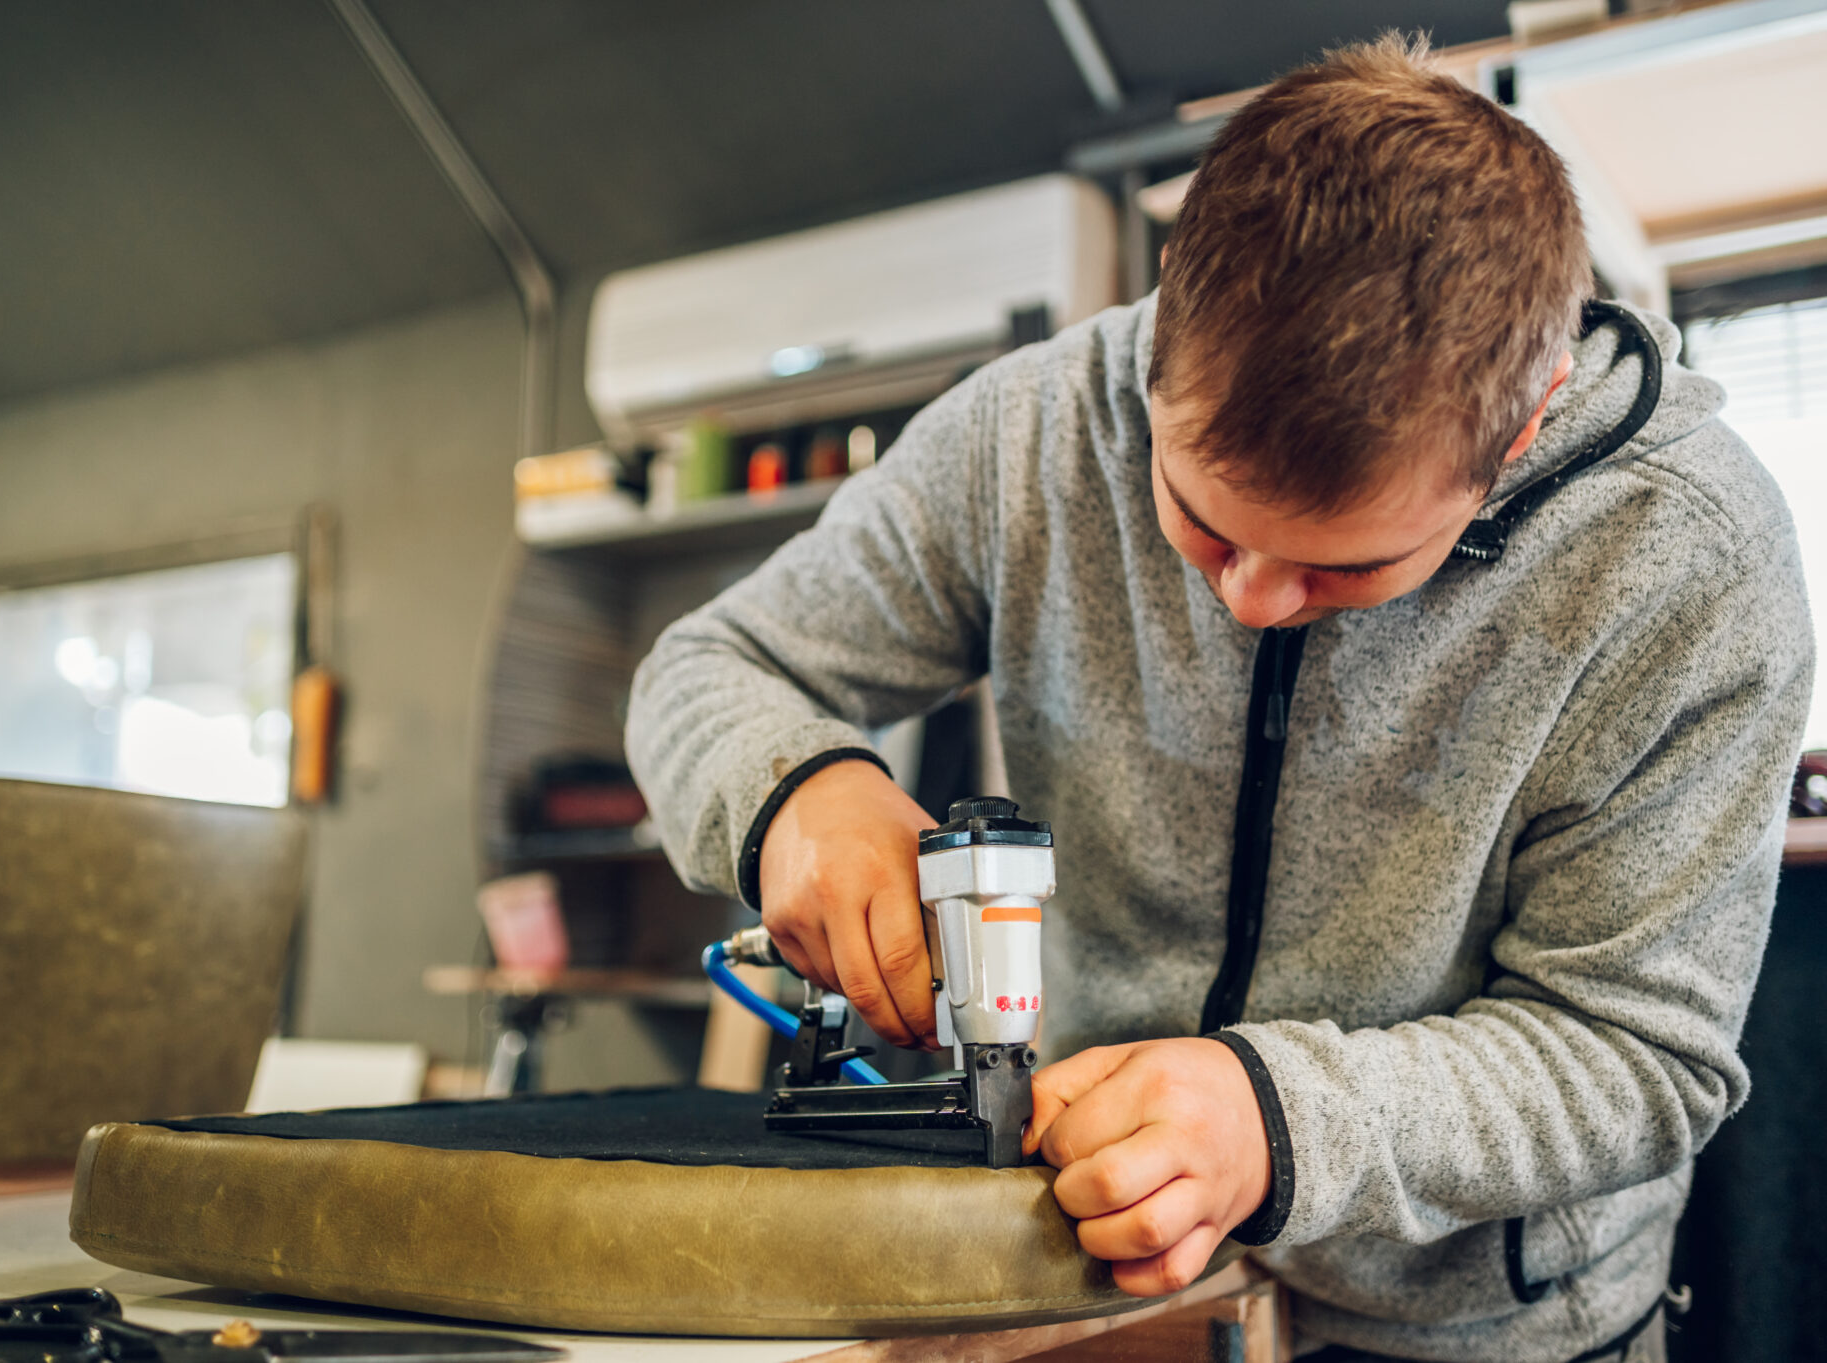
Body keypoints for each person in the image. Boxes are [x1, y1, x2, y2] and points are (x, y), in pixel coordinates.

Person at [624, 35, 1810, 1363]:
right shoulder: (1034, 432)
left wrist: (1275, 1118)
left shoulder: (1689, 561)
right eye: (1199, 520)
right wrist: (797, 795)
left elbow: (1638, 1055)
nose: (1247, 598)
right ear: (1160, 338)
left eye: (1341, 565)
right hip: (1087, 1282)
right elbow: (708, 670)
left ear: (1521, 427)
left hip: (1484, 1330)